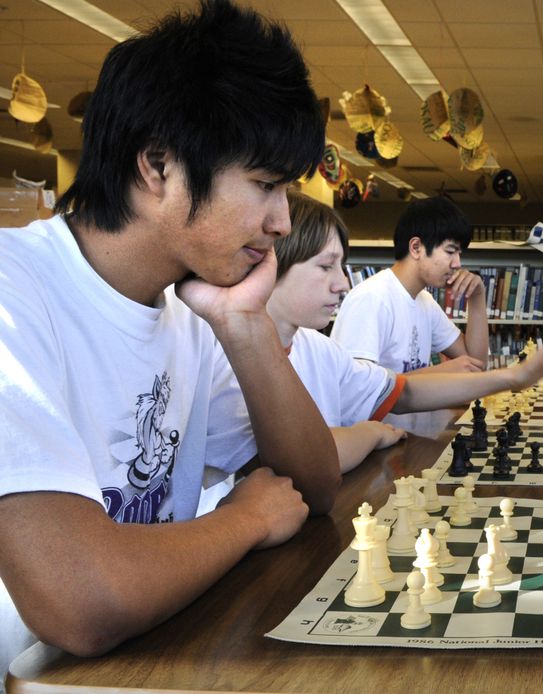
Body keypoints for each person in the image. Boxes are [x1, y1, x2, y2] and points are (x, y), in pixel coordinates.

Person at [0, 0, 339, 668]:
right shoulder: (15, 294)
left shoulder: (190, 307)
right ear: (158, 167)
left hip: (152, 661)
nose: (280, 222)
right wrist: (243, 520)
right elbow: (83, 602)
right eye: (265, 184)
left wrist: (243, 327)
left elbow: (312, 485)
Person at [203, 192, 543, 489]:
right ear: (269, 264)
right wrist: (368, 433)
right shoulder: (224, 362)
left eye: (342, 266)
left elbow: (403, 392)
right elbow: (304, 464)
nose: (343, 284)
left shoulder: (317, 348)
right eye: (325, 267)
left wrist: (517, 376)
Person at [332, 196, 489, 375]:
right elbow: (356, 389)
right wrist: (434, 375)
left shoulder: (425, 302)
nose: (457, 264)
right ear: (416, 248)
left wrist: (477, 298)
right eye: (450, 251)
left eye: (459, 254)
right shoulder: (371, 298)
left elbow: (476, 365)